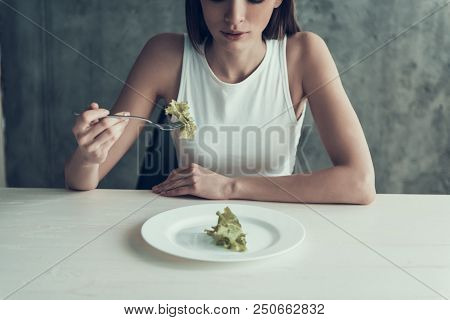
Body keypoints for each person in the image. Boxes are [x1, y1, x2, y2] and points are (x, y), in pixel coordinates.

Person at [65, 0, 376, 204]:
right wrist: (89, 156)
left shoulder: (304, 54)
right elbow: (81, 181)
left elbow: (359, 182)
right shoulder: (164, 55)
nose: (234, 17)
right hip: (187, 228)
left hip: (277, 225)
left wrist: (230, 187)